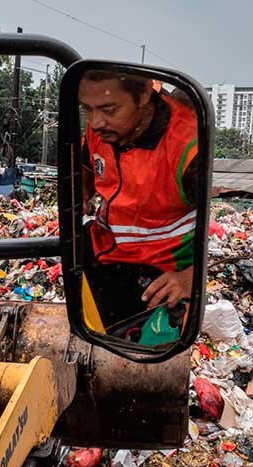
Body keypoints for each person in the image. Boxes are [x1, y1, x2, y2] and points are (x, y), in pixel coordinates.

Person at [78, 70, 198, 332]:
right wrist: (82, 195)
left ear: (144, 94)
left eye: (109, 109)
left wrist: (190, 278)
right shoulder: (102, 127)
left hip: (162, 277)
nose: (96, 121)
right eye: (87, 109)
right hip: (104, 254)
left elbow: (212, 220)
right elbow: (86, 165)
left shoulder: (187, 147)